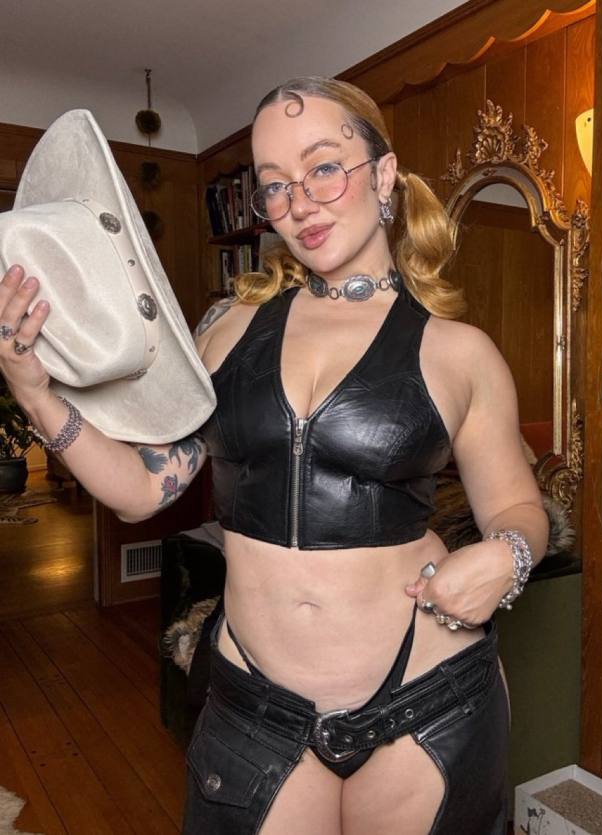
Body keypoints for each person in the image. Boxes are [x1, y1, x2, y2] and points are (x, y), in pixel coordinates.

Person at [0, 76, 549, 835]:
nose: (300, 202)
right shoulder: (227, 329)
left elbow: (518, 508)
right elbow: (141, 489)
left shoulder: (461, 353)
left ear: (383, 175)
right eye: (275, 184)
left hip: (426, 698)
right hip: (257, 708)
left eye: (324, 167)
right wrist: (36, 395)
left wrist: (507, 557)